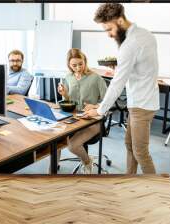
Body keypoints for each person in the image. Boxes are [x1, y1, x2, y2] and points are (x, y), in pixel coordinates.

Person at [83, 3, 160, 174]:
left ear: (119, 20)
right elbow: (141, 67)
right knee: (130, 145)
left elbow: (118, 83)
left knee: (141, 152)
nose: (109, 35)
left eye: (109, 29)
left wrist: (100, 110)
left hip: (142, 104)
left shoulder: (130, 44)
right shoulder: (144, 34)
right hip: (142, 100)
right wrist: (121, 68)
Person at [57, 48, 107, 174]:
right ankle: (53, 168)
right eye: (74, 65)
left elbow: (108, 101)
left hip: (93, 120)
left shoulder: (96, 78)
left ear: (85, 61)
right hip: (74, 118)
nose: (78, 68)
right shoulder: (68, 77)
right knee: (55, 139)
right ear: (69, 64)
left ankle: (87, 161)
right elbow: (69, 101)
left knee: (73, 145)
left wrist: (95, 106)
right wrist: (65, 95)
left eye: (81, 64)